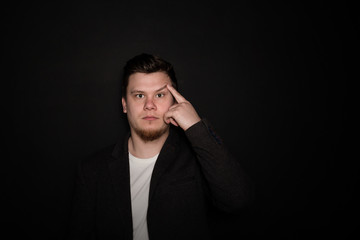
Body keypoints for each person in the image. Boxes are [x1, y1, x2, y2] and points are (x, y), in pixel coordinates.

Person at [69, 53, 251, 240]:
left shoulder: (198, 161)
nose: (149, 105)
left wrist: (195, 126)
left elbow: (236, 200)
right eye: (139, 95)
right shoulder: (91, 170)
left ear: (174, 103)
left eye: (160, 95)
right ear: (124, 104)